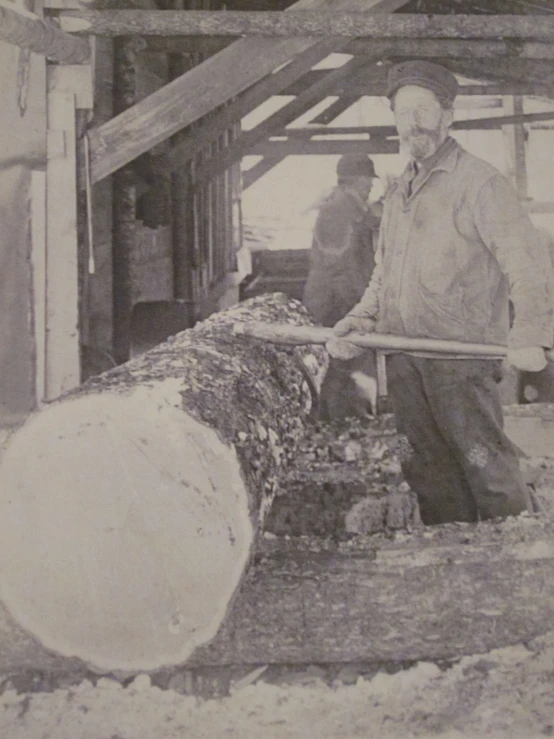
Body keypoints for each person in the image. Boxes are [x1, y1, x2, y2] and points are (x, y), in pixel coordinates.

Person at [329, 60, 554, 524]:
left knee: (488, 473)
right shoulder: (396, 194)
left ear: (448, 116)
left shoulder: (481, 184)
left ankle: (515, 571)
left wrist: (531, 330)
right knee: (428, 475)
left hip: (460, 362)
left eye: (424, 111)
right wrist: (360, 319)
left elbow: (529, 266)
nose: (413, 124)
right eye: (402, 113)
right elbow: (382, 275)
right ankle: (451, 571)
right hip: (404, 361)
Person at [302, 154, 381, 421]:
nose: (371, 185)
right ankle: (344, 420)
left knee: (347, 360)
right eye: (368, 180)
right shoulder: (337, 209)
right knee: (342, 359)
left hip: (343, 297)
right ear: (355, 180)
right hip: (336, 300)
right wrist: (360, 307)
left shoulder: (353, 207)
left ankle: (348, 418)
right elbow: (338, 264)